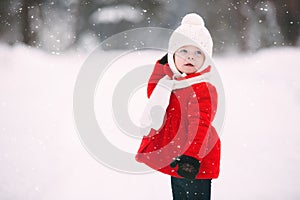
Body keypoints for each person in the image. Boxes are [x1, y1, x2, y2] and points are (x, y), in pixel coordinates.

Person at [136, 13, 221, 200]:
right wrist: (161, 66)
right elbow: (153, 92)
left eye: (198, 52)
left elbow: (200, 126)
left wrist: (191, 158)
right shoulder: (174, 82)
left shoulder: (202, 88)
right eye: (183, 51)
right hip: (177, 157)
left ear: (207, 58)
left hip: (194, 161)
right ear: (173, 55)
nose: (190, 56)